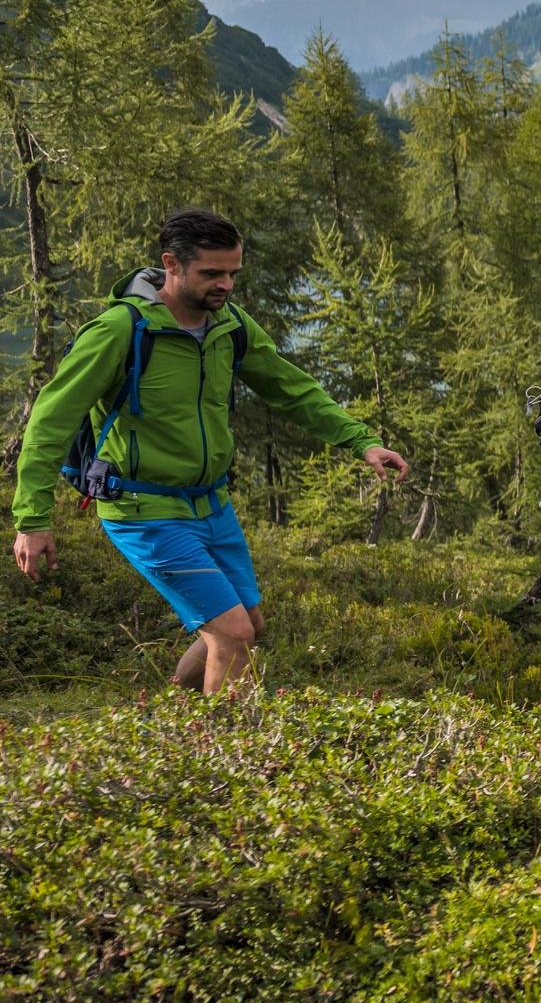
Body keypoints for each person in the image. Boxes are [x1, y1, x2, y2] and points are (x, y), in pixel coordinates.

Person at [10, 209, 409, 693]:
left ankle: (179, 719)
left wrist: (361, 441)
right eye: (212, 274)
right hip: (143, 508)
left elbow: (292, 389)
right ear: (171, 264)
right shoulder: (120, 331)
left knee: (250, 626)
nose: (226, 285)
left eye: (233, 274)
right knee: (232, 633)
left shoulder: (230, 327)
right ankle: (224, 755)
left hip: (211, 504)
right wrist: (32, 519)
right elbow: (51, 420)